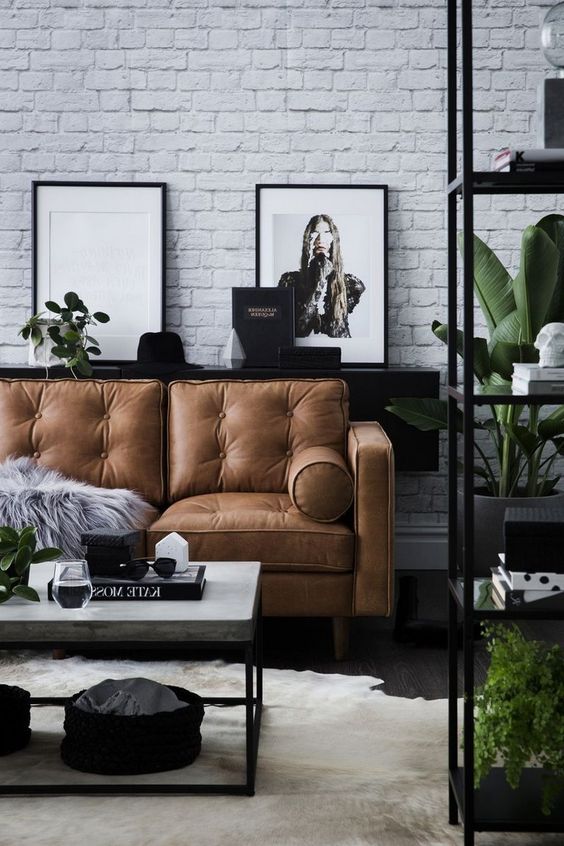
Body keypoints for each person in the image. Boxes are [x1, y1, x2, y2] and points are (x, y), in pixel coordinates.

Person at [277, 214, 366, 338]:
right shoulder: (290, 281)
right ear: (308, 240)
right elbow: (298, 329)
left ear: (334, 239)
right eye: (314, 233)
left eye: (326, 232)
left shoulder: (350, 285)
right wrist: (320, 282)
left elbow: (337, 330)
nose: (320, 239)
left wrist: (328, 273)